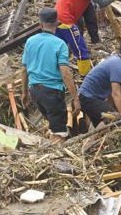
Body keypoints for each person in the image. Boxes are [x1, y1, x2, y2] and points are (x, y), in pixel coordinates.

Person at [20, 8, 81, 141]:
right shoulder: (60, 44)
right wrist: (75, 98)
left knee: (54, 125)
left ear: (40, 25)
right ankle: (57, 156)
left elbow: (24, 69)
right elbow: (65, 73)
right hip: (52, 93)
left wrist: (24, 93)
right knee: (59, 132)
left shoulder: (30, 41)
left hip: (34, 91)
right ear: (57, 24)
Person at [54, 0, 120, 75]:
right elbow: (102, 2)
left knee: (58, 47)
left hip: (58, 17)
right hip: (65, 20)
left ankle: (54, 70)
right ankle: (85, 74)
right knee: (80, 49)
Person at [77, 39, 121, 128]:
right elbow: (116, 94)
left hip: (89, 98)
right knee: (113, 117)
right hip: (88, 98)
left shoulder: (116, 60)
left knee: (101, 126)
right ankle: (93, 138)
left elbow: (112, 91)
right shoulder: (117, 65)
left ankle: (94, 139)